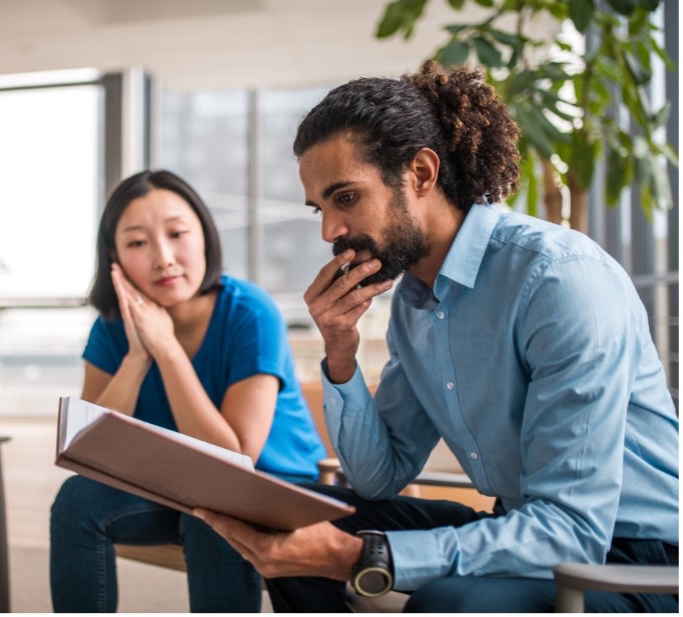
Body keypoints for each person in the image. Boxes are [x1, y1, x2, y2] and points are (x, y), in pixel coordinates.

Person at [198, 61, 679, 612]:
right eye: (321, 209)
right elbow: (379, 478)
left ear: (421, 174)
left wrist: (363, 556)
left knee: (451, 602)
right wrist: (340, 354)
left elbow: (571, 530)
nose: (330, 231)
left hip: (637, 563)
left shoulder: (558, 277)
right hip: (526, 532)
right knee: (292, 517)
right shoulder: (413, 302)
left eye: (346, 198)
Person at [49, 169, 327, 612]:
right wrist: (138, 355)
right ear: (114, 258)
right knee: (75, 502)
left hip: (270, 489)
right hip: (178, 489)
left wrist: (167, 350)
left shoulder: (250, 311)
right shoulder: (111, 330)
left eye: (177, 233)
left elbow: (233, 461)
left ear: (205, 237)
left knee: (213, 516)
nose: (163, 258)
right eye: (137, 242)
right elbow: (91, 455)